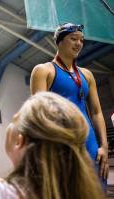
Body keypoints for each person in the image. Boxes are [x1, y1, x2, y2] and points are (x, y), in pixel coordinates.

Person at [30, 23, 109, 183]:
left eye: (81, 40)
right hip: (62, 146)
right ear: (59, 41)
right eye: (73, 39)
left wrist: (104, 147)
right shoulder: (44, 71)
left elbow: (96, 112)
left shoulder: (87, 75)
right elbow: (39, 117)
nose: (79, 43)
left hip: (90, 144)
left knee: (98, 191)